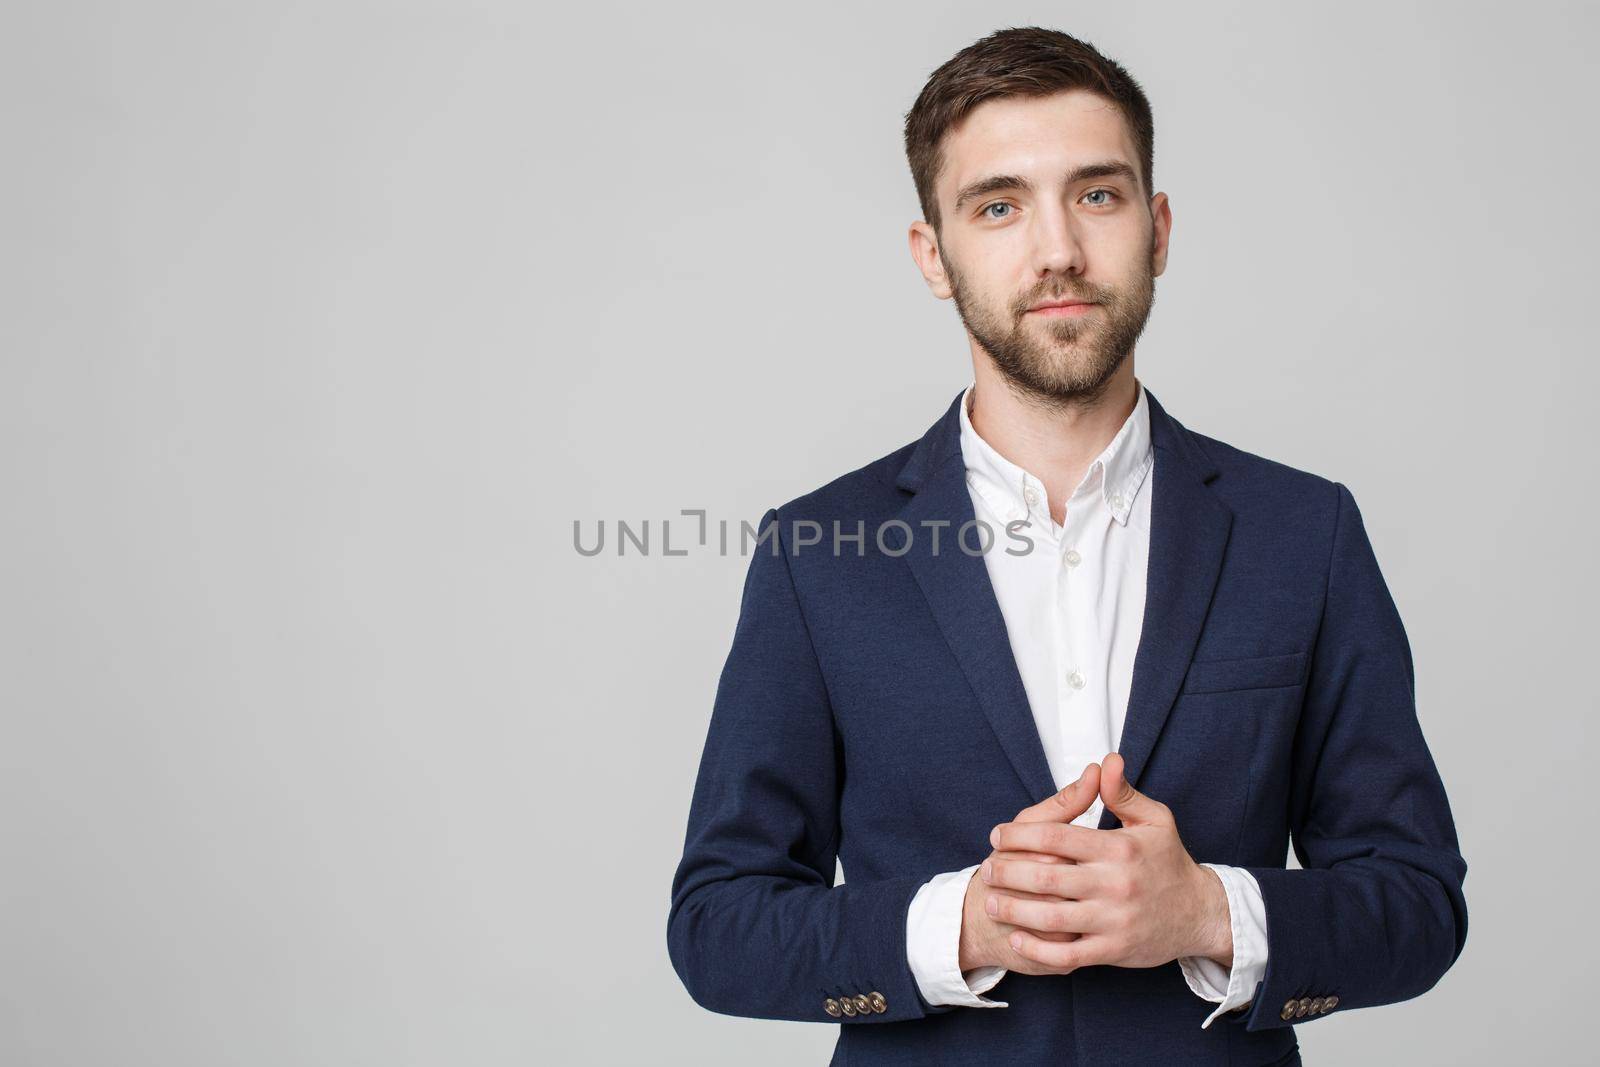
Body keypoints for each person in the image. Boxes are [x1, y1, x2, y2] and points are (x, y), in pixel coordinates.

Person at [666, 26, 1467, 1066]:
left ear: (1158, 227)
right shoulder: (816, 554)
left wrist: (1211, 912)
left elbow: (1417, 901)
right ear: (933, 256)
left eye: (1096, 194)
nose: (1056, 251)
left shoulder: (1302, 532)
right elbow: (716, 924)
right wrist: (962, 926)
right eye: (998, 205)